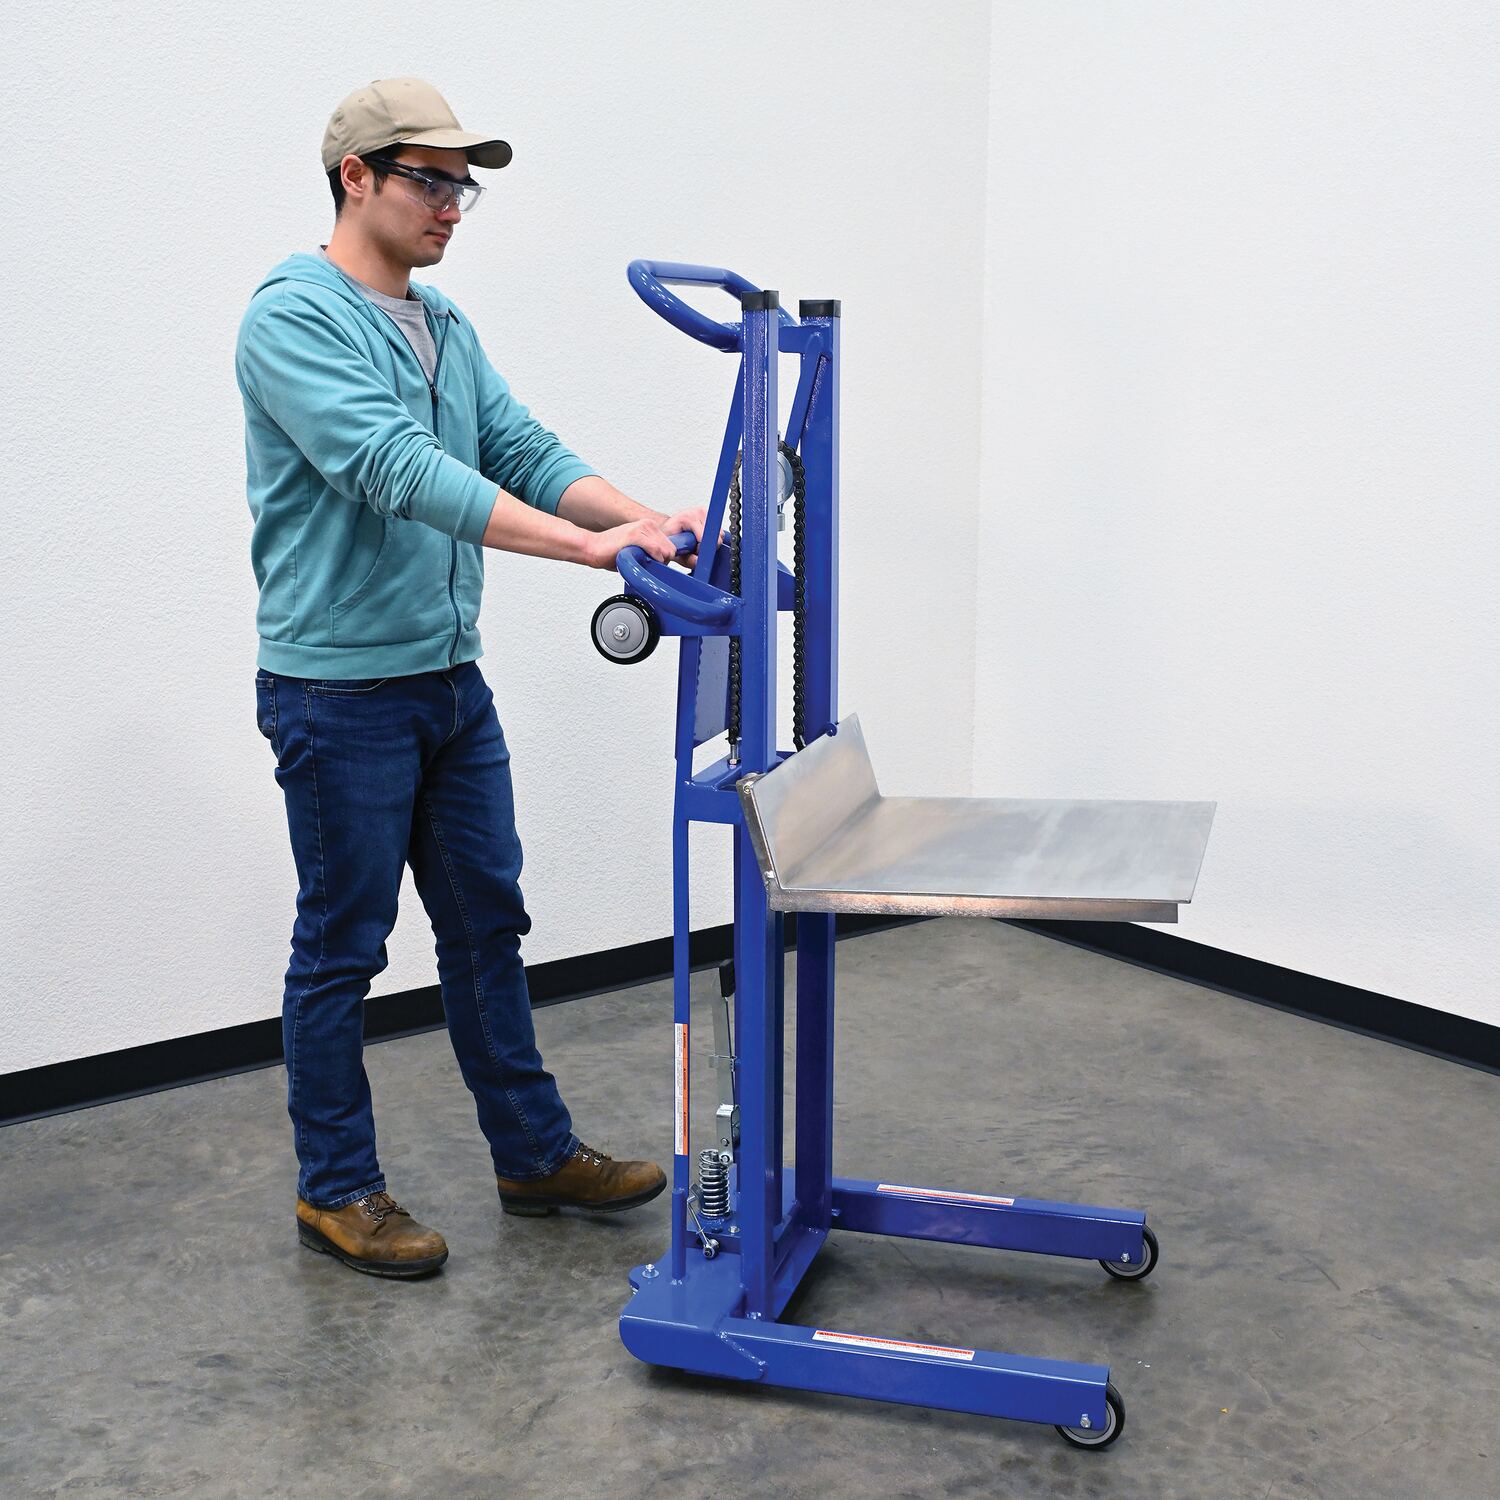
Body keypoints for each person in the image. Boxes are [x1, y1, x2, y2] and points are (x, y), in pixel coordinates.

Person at [236, 77, 695, 1278]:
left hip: (448, 681)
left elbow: (518, 449)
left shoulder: (442, 324)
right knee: (343, 945)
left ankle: (532, 1156)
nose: (451, 206)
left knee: (488, 921)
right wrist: (585, 551)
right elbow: (395, 469)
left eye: (462, 187)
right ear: (356, 177)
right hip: (339, 692)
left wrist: (640, 521)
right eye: (429, 181)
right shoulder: (293, 318)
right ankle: (337, 1189)